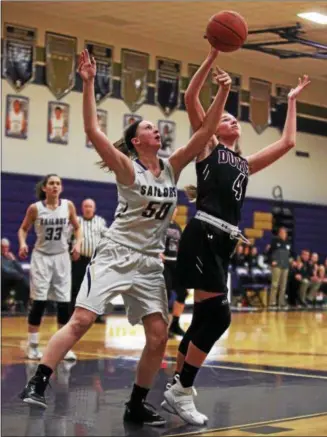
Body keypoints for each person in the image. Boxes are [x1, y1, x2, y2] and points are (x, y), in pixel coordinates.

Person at [20, 48, 232, 426]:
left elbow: (204, 133)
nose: (156, 130)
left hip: (149, 262)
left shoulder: (171, 166)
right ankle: (38, 381)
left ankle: (136, 404)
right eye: (148, 128)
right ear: (136, 141)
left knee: (157, 336)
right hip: (116, 253)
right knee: (82, 320)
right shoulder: (127, 168)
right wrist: (87, 85)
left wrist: (222, 93)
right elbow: (91, 131)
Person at [162, 48, 311, 425]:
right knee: (218, 316)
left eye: (231, 117)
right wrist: (212, 60)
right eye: (225, 117)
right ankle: (181, 389)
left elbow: (288, 142)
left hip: (223, 240)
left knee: (202, 320)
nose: (231, 120)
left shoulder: (244, 164)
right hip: (205, 231)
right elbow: (190, 98)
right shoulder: (208, 146)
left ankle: (178, 384)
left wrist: (291, 102)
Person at [17, 174, 82, 360]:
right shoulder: (35, 208)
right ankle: (33, 346)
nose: (55, 186)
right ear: (45, 188)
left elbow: (77, 227)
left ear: (61, 188)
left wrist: (77, 244)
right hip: (42, 258)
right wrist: (22, 243)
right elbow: (23, 228)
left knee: (63, 304)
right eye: (52, 183)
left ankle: (63, 348)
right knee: (39, 302)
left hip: (61, 257)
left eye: (58, 183)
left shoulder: (68, 206)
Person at [71, 198, 107, 322]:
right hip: (78, 261)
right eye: (85, 206)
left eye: (90, 206)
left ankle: (96, 315)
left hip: (94, 261)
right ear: (82, 208)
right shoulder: (77, 221)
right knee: (76, 287)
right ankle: (73, 314)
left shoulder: (100, 221)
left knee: (95, 288)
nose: (88, 209)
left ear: (94, 208)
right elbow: (69, 238)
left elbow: (107, 239)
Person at [161, 207, 188, 337]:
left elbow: (181, 246)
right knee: (164, 295)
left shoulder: (177, 226)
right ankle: (162, 327)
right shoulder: (159, 224)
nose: (173, 211)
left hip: (176, 263)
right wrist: (156, 252)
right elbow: (150, 240)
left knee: (183, 293)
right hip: (164, 264)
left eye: (175, 210)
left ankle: (175, 325)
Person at [268, 227, 291, 308]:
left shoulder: (288, 242)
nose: (282, 234)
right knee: (275, 284)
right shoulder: (275, 241)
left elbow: (290, 254)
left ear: (286, 234)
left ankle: (281, 302)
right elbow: (269, 252)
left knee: (283, 285)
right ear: (279, 233)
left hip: (285, 266)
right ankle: (272, 302)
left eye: (284, 232)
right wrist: (272, 261)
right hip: (277, 265)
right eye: (281, 232)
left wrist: (292, 260)